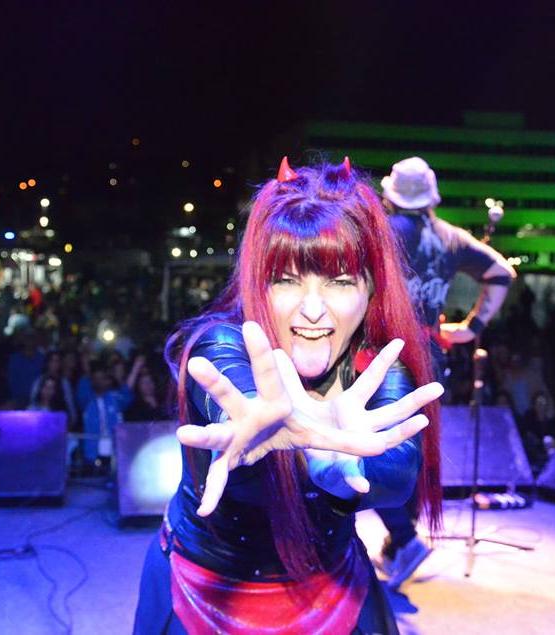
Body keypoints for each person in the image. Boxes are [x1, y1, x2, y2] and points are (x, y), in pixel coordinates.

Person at [133, 158, 444, 634]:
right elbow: (237, 402)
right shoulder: (225, 345)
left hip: (333, 587)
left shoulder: (377, 368)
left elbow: (398, 476)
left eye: (340, 281)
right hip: (206, 594)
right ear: (258, 284)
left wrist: (340, 472)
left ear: (370, 289)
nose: (313, 309)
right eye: (286, 279)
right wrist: (261, 427)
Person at [376, 156, 516, 588]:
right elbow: (501, 273)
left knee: (366, 448)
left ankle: (403, 539)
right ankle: (398, 545)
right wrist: (471, 327)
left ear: (390, 195)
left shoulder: (381, 232)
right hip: (429, 355)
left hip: (380, 356)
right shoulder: (451, 237)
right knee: (413, 451)